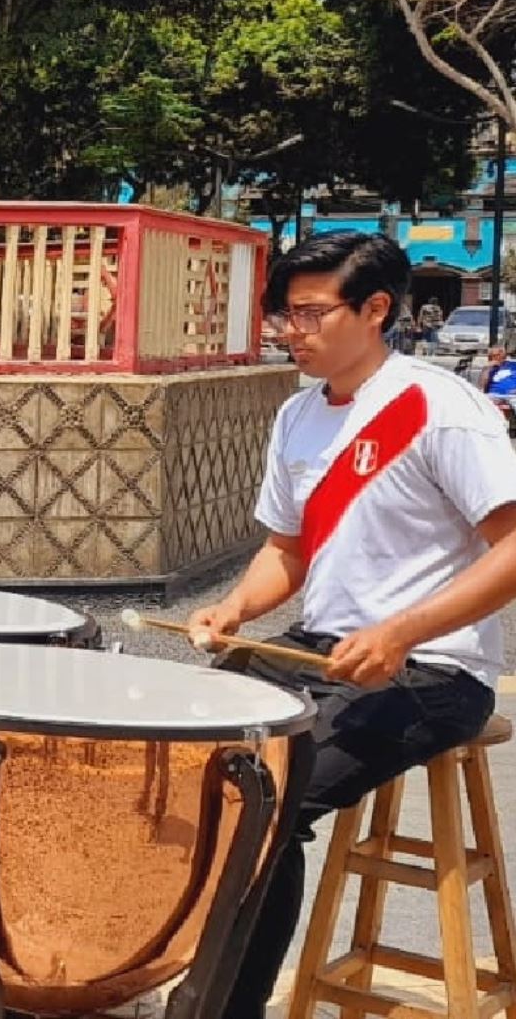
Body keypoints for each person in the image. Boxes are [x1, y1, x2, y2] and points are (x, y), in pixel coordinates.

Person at [189, 232, 516, 1019]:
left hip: (433, 670)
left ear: (375, 310)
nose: (288, 331)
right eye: (282, 314)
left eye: (307, 313)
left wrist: (401, 631)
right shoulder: (298, 415)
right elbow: (286, 551)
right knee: (176, 747)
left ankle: (226, 1007)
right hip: (320, 647)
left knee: (267, 795)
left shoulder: (442, 411)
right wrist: (234, 608)